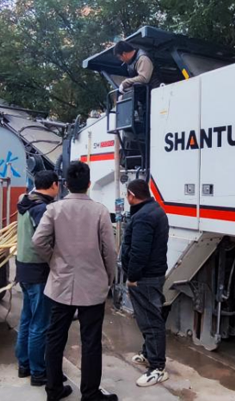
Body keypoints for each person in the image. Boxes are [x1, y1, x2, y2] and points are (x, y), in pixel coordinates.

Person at [32, 162, 118, 401]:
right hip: (93, 285)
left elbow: (38, 241)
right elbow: (110, 251)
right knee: (91, 341)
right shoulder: (100, 211)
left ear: (66, 184)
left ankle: (54, 390)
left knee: (55, 337)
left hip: (61, 284)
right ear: (89, 184)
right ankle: (90, 394)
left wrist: (54, 261)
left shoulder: (54, 209)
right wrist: (108, 277)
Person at [121, 179, 170, 387]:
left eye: (127, 195)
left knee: (150, 320)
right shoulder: (154, 210)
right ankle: (149, 353)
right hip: (153, 274)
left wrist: (132, 277)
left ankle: (157, 368)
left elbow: (139, 252)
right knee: (147, 317)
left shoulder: (143, 217)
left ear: (132, 195)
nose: (126, 198)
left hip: (144, 277)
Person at [15, 170, 59, 386]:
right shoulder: (41, 209)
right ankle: (38, 372)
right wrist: (54, 259)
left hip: (23, 268)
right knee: (40, 324)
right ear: (53, 185)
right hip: (38, 271)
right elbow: (42, 241)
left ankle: (24, 365)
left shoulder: (25, 201)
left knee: (27, 319)